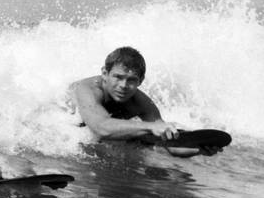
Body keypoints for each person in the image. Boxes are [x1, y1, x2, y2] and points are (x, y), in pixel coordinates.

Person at [69, 46, 205, 156]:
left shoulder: (140, 102)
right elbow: (101, 128)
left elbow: (171, 146)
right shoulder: (88, 89)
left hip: (103, 123)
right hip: (67, 121)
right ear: (105, 73)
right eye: (118, 77)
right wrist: (150, 127)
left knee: (142, 139)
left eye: (131, 80)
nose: (123, 85)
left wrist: (198, 149)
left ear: (141, 81)